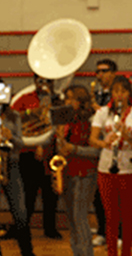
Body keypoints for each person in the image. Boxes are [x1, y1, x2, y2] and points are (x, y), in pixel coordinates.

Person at [90, 75, 132, 256]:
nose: (119, 95)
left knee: (127, 217)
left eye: (123, 91)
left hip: (130, 169)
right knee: (110, 217)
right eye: (116, 91)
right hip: (106, 168)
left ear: (129, 93)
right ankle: (112, 253)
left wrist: (125, 133)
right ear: (112, 93)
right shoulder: (103, 113)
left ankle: (127, 253)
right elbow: (92, 139)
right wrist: (104, 143)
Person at [11, 74, 62, 239]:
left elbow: (62, 124)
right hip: (28, 152)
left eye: (48, 80)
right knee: (27, 194)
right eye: (41, 80)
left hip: (51, 152)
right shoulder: (24, 98)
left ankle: (50, 228)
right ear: (34, 81)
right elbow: (12, 119)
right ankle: (21, 228)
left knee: (50, 193)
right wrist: (31, 112)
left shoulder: (58, 99)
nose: (45, 84)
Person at [55, 85, 100, 256]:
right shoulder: (67, 120)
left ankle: (86, 253)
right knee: (71, 219)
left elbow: (97, 151)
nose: (66, 102)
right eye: (66, 98)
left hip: (85, 173)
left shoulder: (91, 121)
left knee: (80, 218)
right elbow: (62, 147)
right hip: (68, 171)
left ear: (80, 101)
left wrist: (73, 149)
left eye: (70, 98)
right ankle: (77, 253)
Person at [0, 79, 36, 256]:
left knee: (20, 212)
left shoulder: (14, 116)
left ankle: (27, 252)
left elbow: (21, 144)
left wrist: (11, 137)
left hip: (11, 165)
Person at [90, 58, 118, 247]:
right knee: (98, 196)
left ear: (113, 73)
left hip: (114, 147)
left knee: (116, 197)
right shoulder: (95, 92)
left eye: (104, 71)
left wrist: (98, 110)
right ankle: (102, 230)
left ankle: (118, 233)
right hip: (96, 147)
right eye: (97, 71)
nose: (100, 75)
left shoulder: (120, 92)